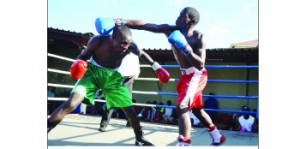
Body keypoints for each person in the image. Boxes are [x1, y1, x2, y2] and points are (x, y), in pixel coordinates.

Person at [93, 7, 226, 146]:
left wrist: (185, 47)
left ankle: (184, 144)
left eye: (182, 16)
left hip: (196, 75)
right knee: (197, 110)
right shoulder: (170, 30)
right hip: (185, 75)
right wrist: (119, 21)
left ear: (191, 21)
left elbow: (200, 64)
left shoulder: (198, 38)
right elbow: (145, 25)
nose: (178, 17)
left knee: (182, 106)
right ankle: (217, 136)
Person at [47, 24, 171, 146]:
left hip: (113, 77)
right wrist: (77, 64)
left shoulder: (130, 46)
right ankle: (47, 127)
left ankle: (140, 138)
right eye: (122, 43)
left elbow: (143, 55)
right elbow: (83, 56)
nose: (125, 47)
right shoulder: (97, 41)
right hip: (92, 73)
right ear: (112, 38)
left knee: (130, 110)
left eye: (127, 43)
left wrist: (157, 68)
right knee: (72, 103)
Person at [98, 52, 140, 131]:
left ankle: (130, 122)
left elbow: (137, 66)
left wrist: (135, 75)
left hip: (128, 79)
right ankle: (104, 124)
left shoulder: (134, 54)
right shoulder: (116, 50)